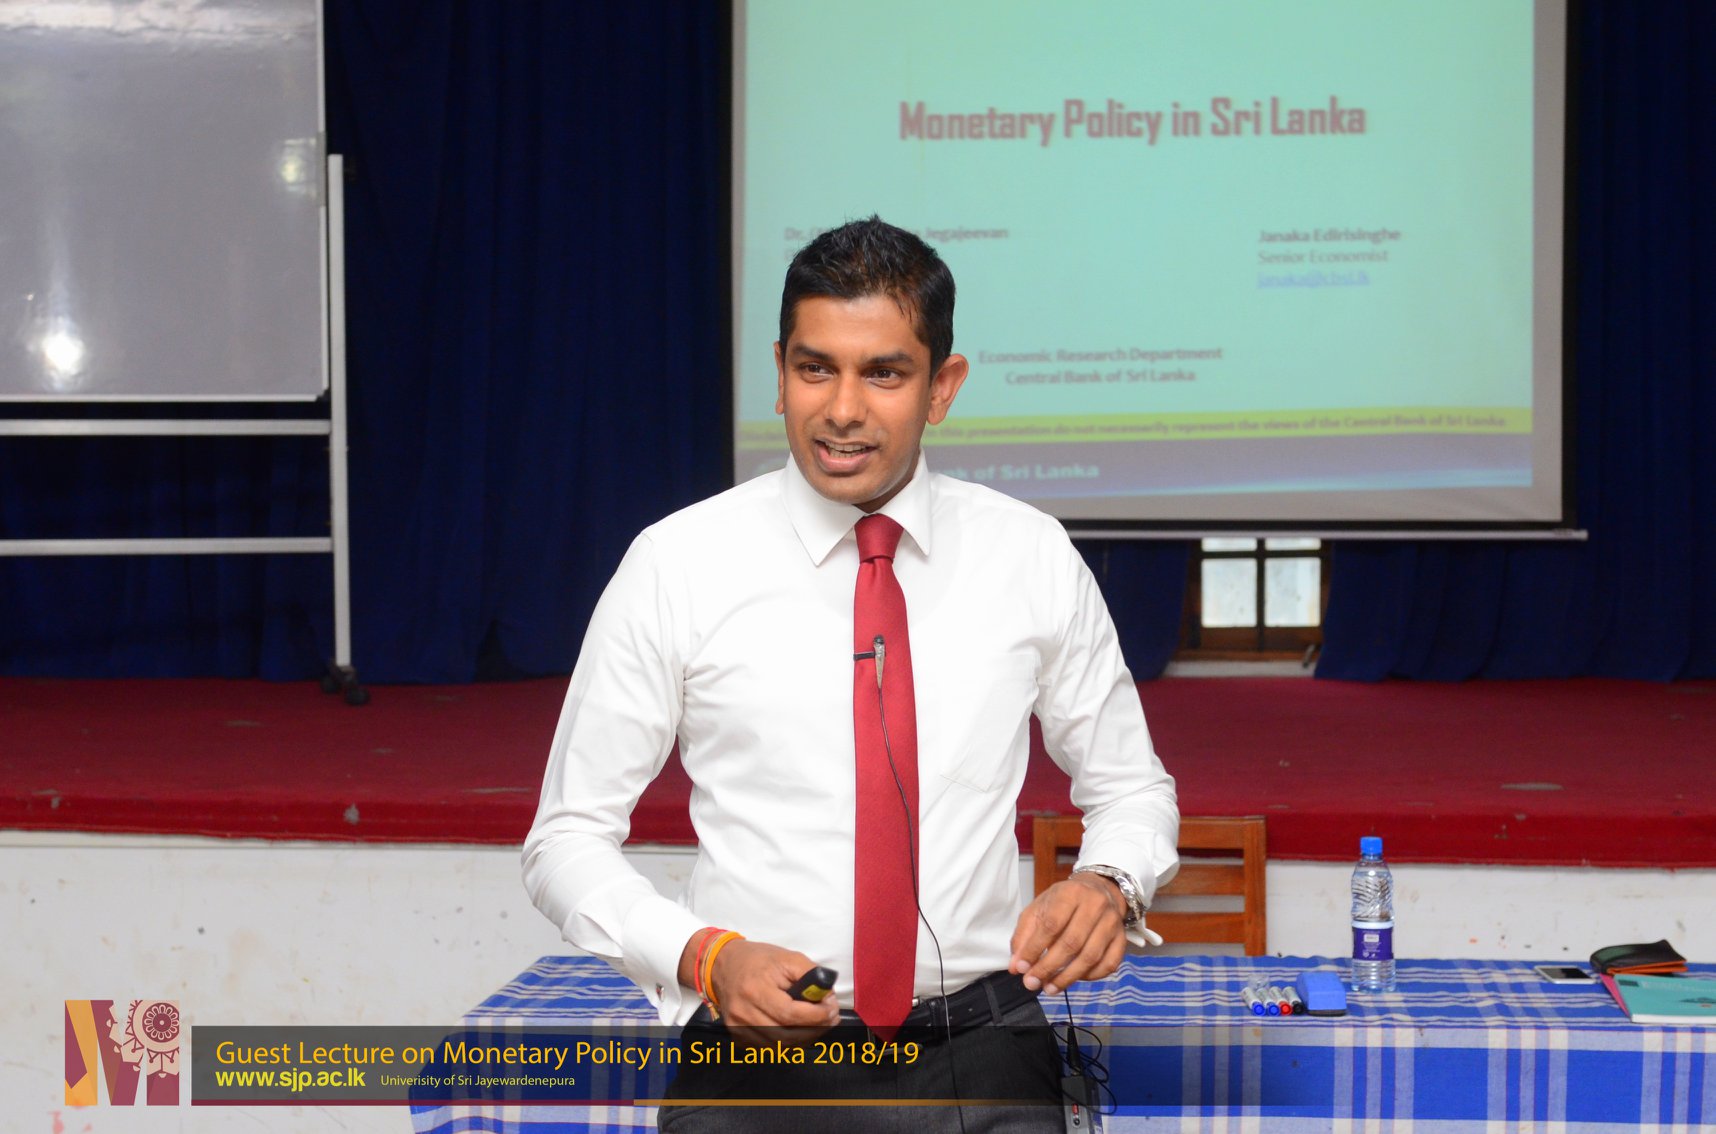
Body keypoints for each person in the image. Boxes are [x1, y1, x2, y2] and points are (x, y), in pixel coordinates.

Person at [523, 216, 1179, 1130]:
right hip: (757, 1060)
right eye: (815, 368)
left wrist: (1110, 883)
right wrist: (705, 956)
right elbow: (564, 840)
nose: (841, 409)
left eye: (884, 374)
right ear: (779, 370)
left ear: (942, 387)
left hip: (983, 1050)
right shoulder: (678, 563)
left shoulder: (1029, 555)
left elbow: (1132, 789)